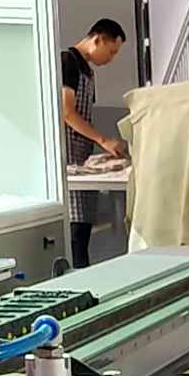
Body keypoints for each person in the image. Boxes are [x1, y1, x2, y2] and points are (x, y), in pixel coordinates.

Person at [61, 19, 128, 269]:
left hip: (82, 158)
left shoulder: (88, 73)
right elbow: (67, 112)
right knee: (76, 235)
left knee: (84, 231)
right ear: (97, 39)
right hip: (68, 160)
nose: (111, 59)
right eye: (111, 52)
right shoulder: (68, 62)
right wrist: (102, 140)